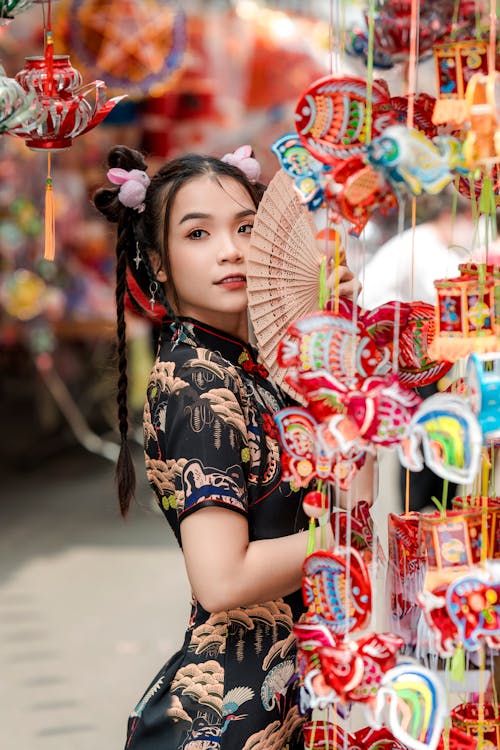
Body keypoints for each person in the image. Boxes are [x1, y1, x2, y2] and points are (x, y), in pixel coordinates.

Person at [93, 145, 362, 750]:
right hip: (235, 721)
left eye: (246, 227)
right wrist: (356, 532)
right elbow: (222, 578)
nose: (231, 249)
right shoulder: (195, 379)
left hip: (288, 696)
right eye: (197, 233)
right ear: (159, 264)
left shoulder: (247, 367)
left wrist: (329, 325)